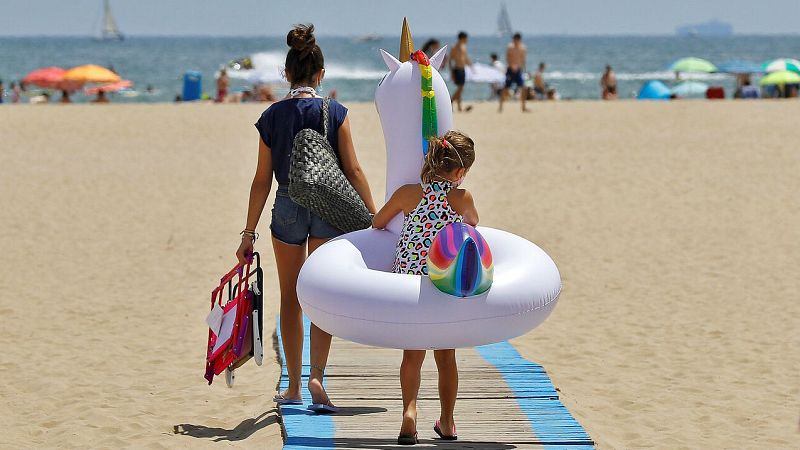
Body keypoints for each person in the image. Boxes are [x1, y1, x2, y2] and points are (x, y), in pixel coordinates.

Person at [237, 24, 377, 411]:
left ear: (286, 73)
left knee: (291, 297)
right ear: (321, 74)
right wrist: (373, 214)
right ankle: (317, 377)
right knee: (321, 296)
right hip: (329, 205)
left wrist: (248, 232)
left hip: (287, 205)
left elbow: (262, 179)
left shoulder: (271, 116)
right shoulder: (334, 111)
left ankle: (295, 387)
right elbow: (353, 170)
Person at [372, 131, 478, 445]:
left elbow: (378, 222)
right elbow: (474, 223)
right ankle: (447, 421)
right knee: (446, 357)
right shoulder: (461, 198)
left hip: (409, 285)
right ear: (460, 172)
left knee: (412, 354)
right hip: (441, 282)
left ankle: (409, 412)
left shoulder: (408, 193)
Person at [499, 33, 529, 112]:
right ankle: (500, 107)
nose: (514, 41)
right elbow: (507, 58)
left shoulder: (523, 48)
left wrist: (524, 70)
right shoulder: (510, 47)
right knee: (505, 88)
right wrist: (511, 66)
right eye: (513, 39)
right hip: (510, 70)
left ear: (519, 40)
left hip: (518, 70)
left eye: (516, 39)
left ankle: (523, 107)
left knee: (524, 88)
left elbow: (523, 59)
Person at [448, 31, 472, 112]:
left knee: (460, 88)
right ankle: (450, 101)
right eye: (466, 38)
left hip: (463, 69)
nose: (467, 40)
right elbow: (450, 60)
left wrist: (471, 66)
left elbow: (465, 58)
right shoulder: (454, 47)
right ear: (462, 38)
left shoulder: (464, 47)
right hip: (457, 69)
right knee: (460, 88)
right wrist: (451, 72)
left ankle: (459, 107)